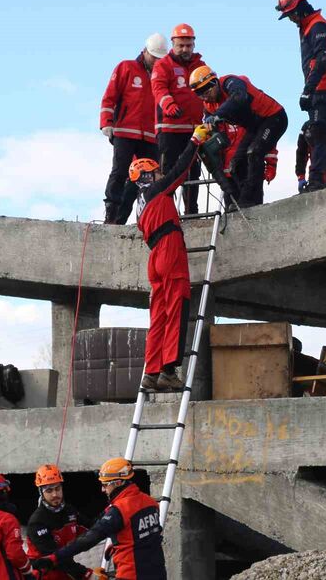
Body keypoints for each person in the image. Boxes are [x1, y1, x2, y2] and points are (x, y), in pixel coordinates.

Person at [129, 124, 211, 392]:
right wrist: (195, 141)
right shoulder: (155, 191)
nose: (158, 175)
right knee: (176, 310)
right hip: (170, 250)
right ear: (146, 176)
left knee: (159, 318)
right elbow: (179, 171)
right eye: (154, 172)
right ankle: (169, 371)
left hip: (156, 257)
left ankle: (150, 374)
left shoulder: (140, 206)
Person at [32, 458, 166, 580]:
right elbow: (146, 535)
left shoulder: (119, 510)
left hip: (131, 574)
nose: (102, 490)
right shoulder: (150, 502)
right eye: (49, 491)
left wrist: (56, 559)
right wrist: (116, 544)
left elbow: (90, 537)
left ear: (118, 482)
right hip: (158, 572)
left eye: (105, 485)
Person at [276, 0, 326, 192]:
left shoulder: (317, 27)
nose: (290, 19)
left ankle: (317, 181)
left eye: (290, 14)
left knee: (317, 132)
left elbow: (322, 61)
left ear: (299, 8)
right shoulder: (309, 26)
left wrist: (308, 90)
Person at [189, 66, 287, 208]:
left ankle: (250, 201)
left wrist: (218, 115)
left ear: (214, 82)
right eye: (199, 94)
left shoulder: (230, 82)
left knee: (254, 152)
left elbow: (239, 96)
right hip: (255, 126)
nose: (205, 96)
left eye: (206, 90)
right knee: (236, 163)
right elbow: (208, 126)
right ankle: (243, 201)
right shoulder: (209, 105)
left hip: (274, 117)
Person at [99, 34, 166, 225]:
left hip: (150, 136)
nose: (156, 61)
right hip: (125, 131)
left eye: (160, 58)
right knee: (120, 172)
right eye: (154, 57)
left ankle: (141, 217)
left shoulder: (161, 74)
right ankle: (111, 215)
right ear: (144, 51)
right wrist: (107, 122)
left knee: (148, 178)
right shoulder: (126, 67)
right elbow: (110, 96)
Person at [152, 24, 206, 215]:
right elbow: (159, 88)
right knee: (169, 173)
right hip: (169, 129)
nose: (185, 49)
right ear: (173, 44)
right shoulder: (163, 65)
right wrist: (169, 105)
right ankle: (165, 211)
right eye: (181, 45)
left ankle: (191, 212)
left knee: (193, 172)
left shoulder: (200, 66)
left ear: (193, 44)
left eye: (188, 45)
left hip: (193, 129)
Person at [26, 464, 99, 580]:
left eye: (57, 488)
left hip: (65, 571)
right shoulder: (37, 522)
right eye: (49, 490)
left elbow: (93, 526)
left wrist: (109, 515)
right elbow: (55, 557)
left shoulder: (69, 511)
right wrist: (86, 574)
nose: (55, 494)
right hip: (45, 574)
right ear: (41, 492)